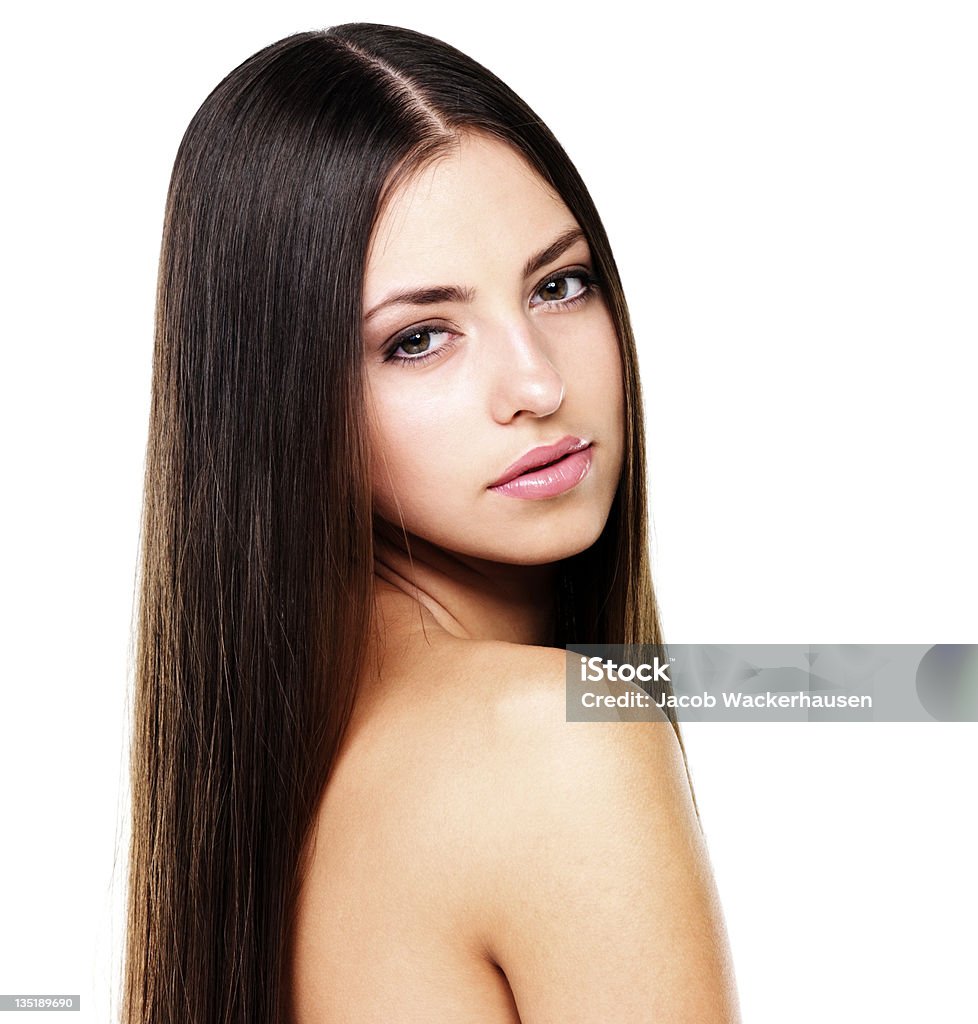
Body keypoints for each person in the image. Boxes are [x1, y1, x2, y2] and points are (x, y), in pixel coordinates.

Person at [124, 22, 741, 1023]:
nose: (538, 383)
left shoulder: (261, 781)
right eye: (419, 339)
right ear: (287, 399)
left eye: (560, 284)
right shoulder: (560, 737)